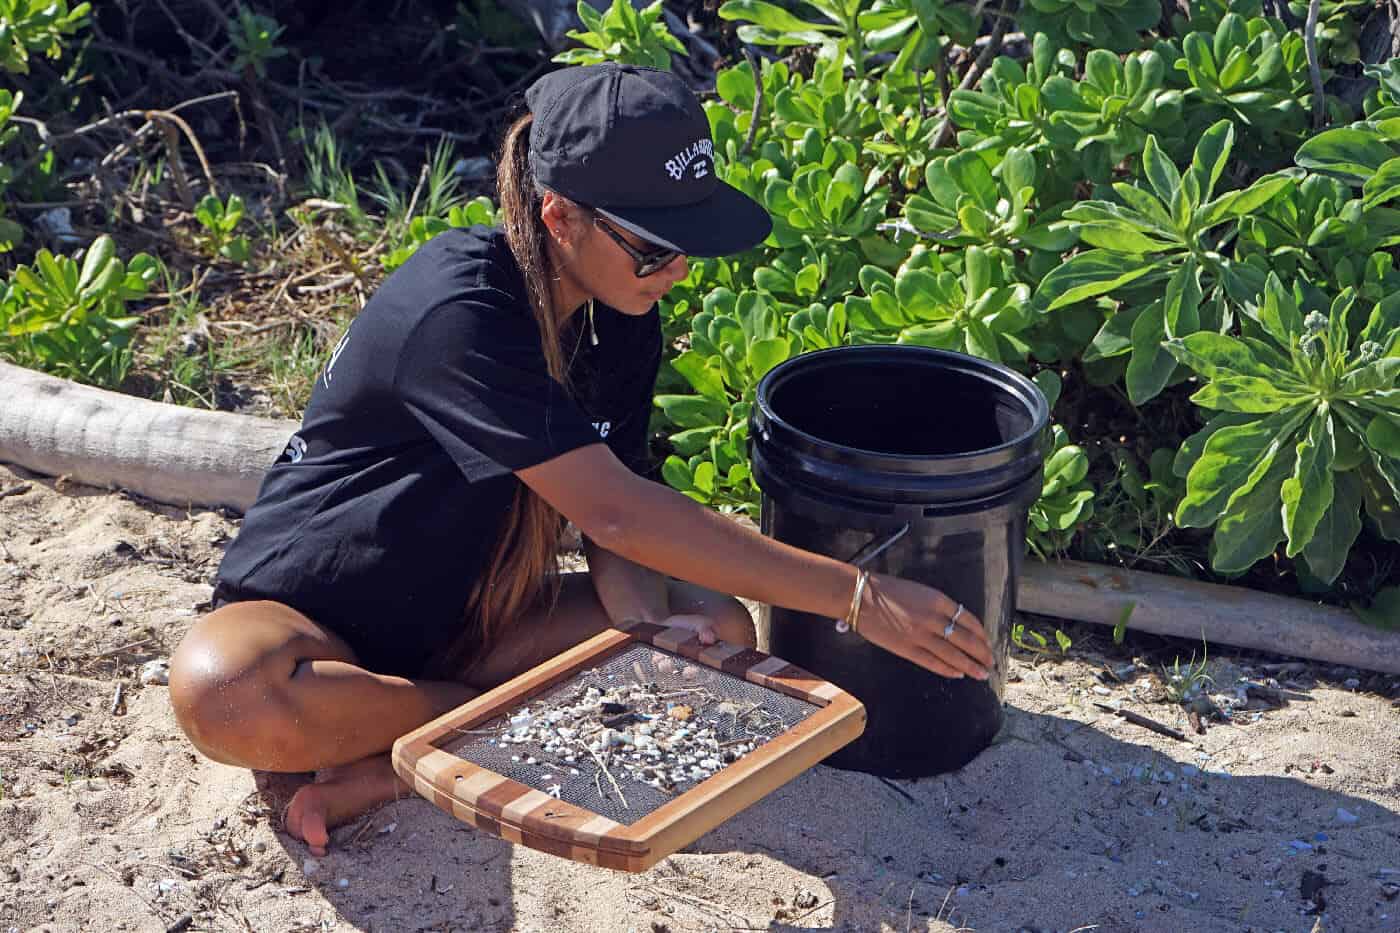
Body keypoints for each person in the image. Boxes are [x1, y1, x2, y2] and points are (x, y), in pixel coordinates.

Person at [168, 62, 994, 857]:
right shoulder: (460, 304)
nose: (674, 273)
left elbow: (619, 522)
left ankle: (406, 756)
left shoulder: (617, 317)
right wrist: (858, 593)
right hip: (314, 634)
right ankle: (456, 737)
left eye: (688, 246)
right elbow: (615, 509)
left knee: (714, 628)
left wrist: (643, 630)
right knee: (221, 691)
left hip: (472, 631)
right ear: (559, 215)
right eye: (652, 248)